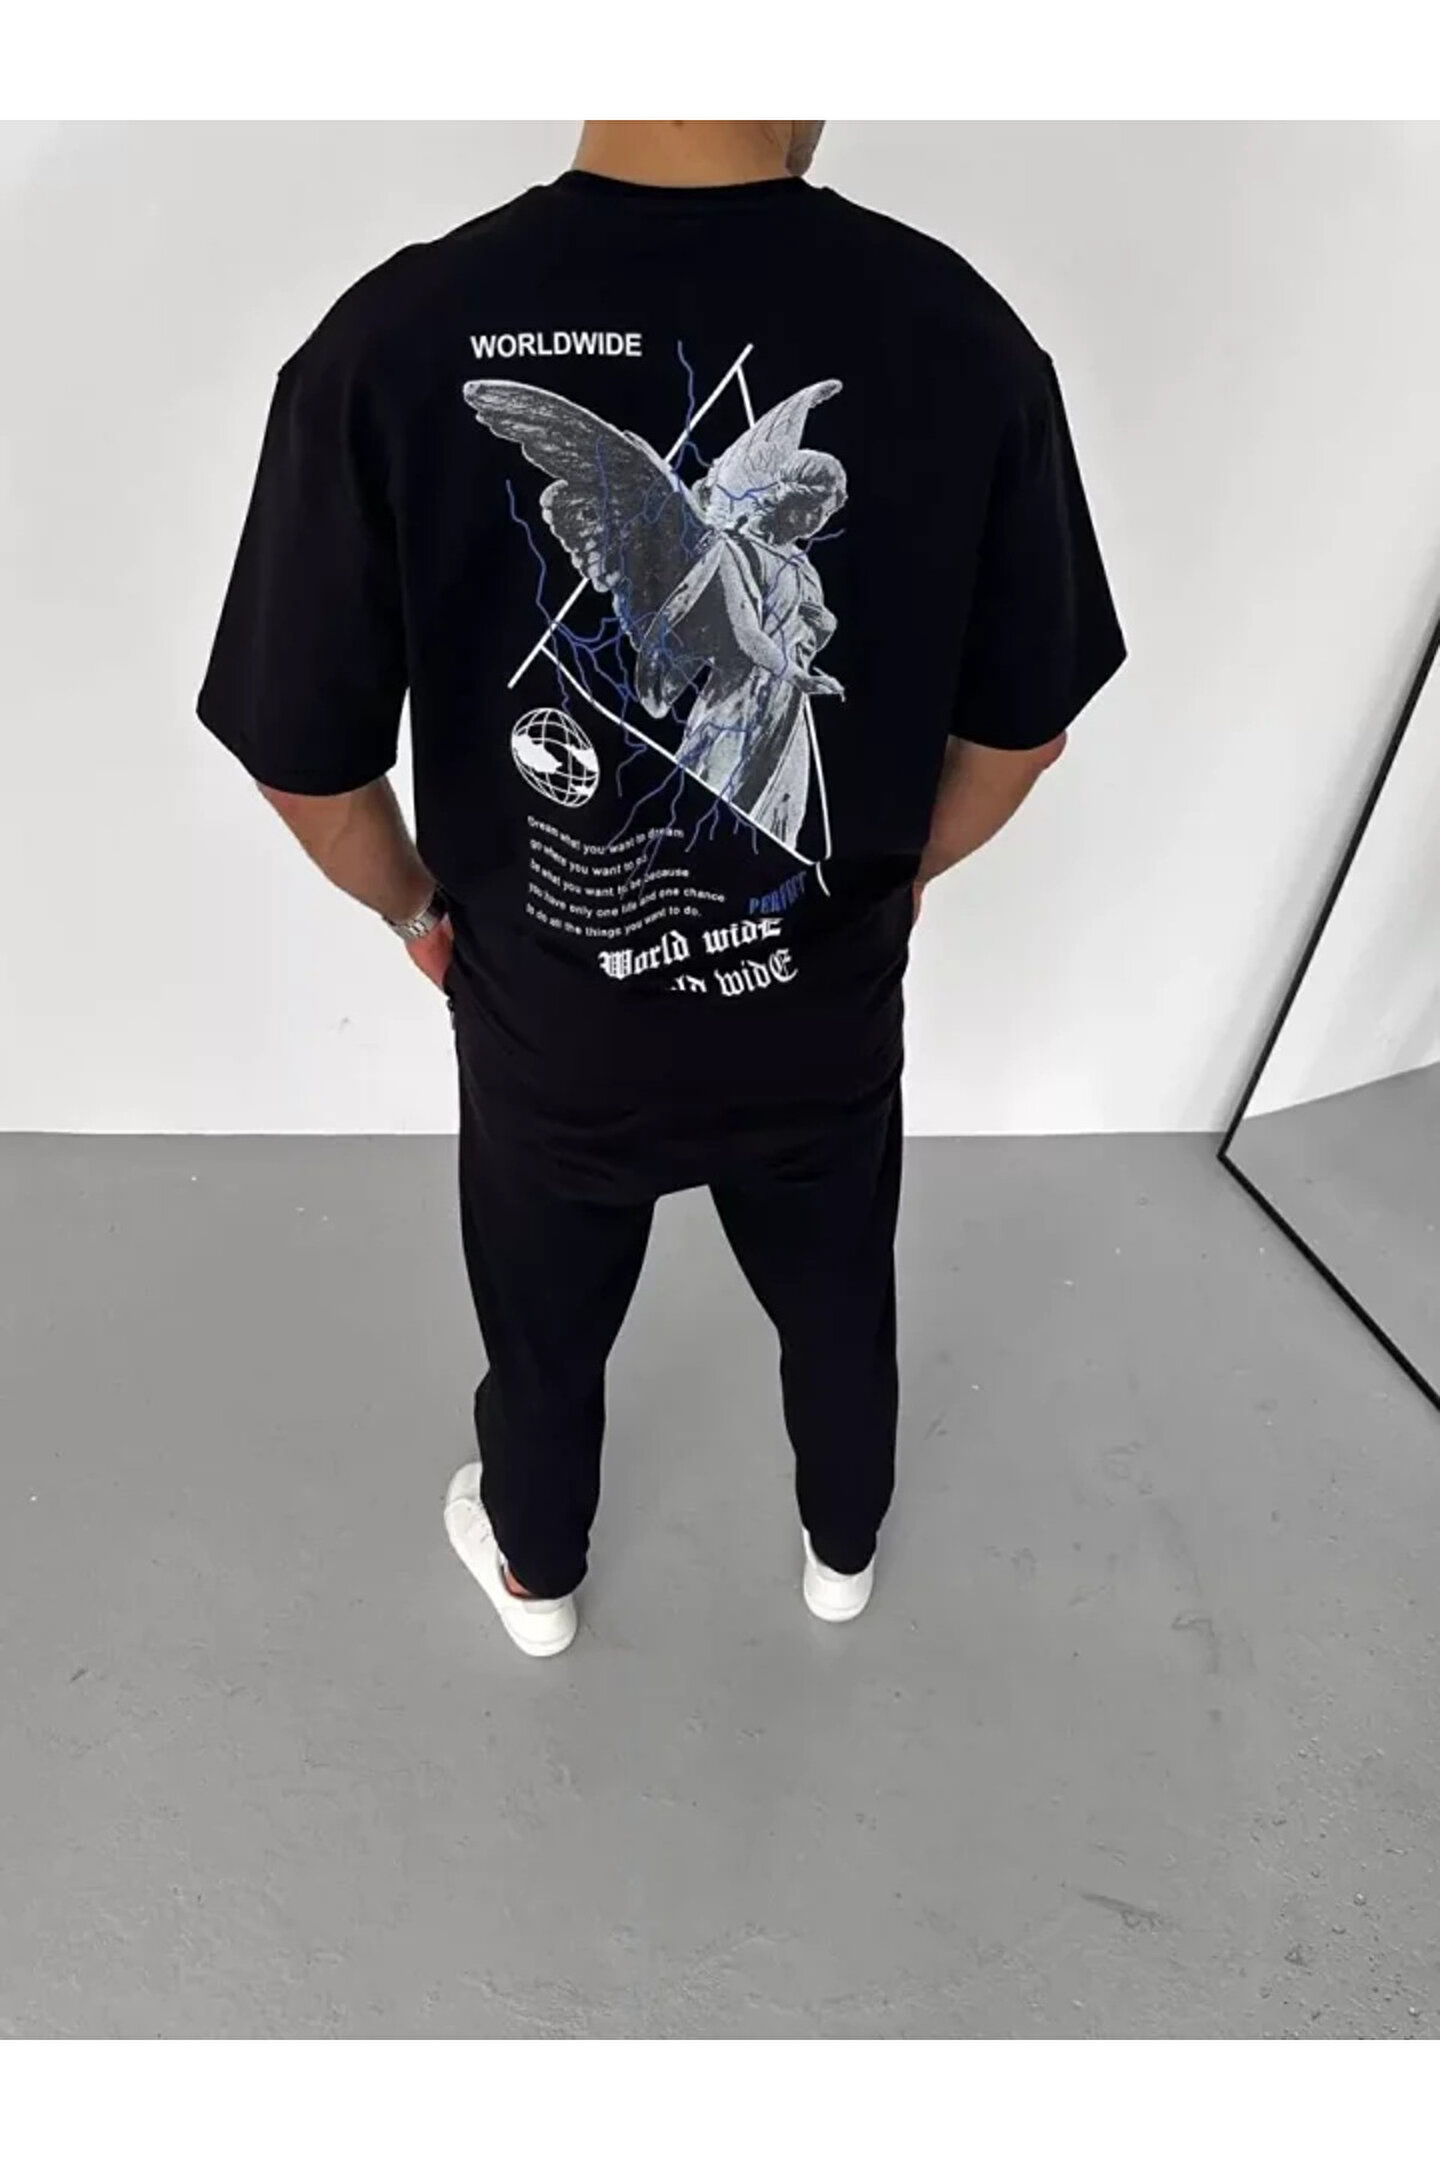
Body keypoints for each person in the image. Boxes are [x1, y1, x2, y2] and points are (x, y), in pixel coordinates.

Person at [198, 120, 1126, 1659]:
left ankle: (537, 1574)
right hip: (819, 1007)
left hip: (553, 1032)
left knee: (545, 1336)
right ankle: (843, 1550)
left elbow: (304, 766)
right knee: (837, 1300)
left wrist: (422, 916)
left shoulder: (397, 337)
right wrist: (891, 885)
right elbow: (1023, 734)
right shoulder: (958, 331)